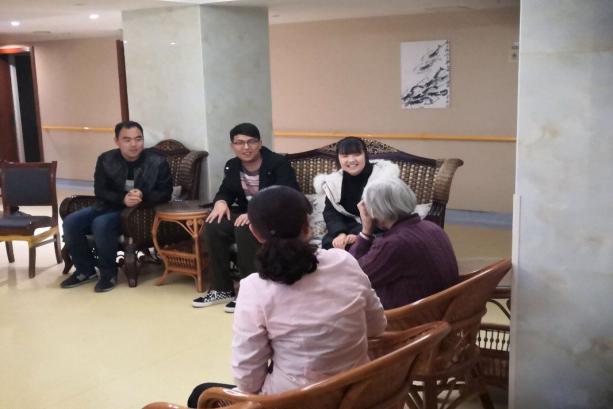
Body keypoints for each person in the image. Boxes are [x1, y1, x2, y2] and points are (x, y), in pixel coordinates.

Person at [187, 186, 386, 407]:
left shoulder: (255, 289)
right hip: (361, 392)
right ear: (307, 227)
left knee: (201, 395)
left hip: (296, 401)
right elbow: (377, 326)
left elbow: (248, 381)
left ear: (254, 232)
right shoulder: (344, 261)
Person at [192, 123, 299, 312]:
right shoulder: (232, 165)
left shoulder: (278, 163)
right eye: (239, 143)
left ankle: (250, 292)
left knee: (245, 227)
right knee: (214, 223)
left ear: (260, 143)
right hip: (247, 214)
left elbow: (286, 195)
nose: (246, 147)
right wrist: (221, 202)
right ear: (232, 146)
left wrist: (257, 212)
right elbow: (225, 191)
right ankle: (221, 289)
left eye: (251, 142)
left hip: (276, 216)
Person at [60, 121, 172, 292]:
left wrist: (143, 195)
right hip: (108, 205)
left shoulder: (157, 162)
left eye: (138, 139)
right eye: (127, 140)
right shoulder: (106, 159)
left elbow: (165, 193)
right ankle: (85, 270)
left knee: (101, 224)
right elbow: (100, 190)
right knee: (71, 222)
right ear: (117, 141)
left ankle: (108, 274)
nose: (134, 144)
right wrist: (122, 199)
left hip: (139, 212)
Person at [349, 178, 459, 309]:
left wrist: (366, 232)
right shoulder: (433, 228)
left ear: (375, 210)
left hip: (409, 317)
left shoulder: (394, 243)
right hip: (443, 309)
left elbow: (352, 276)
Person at [313, 137, 399, 250]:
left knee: (372, 245)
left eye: (357, 154)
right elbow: (331, 213)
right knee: (330, 243)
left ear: (365, 155)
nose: (351, 160)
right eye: (345, 156)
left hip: (378, 228)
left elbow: (389, 213)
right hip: (347, 227)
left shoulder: (383, 177)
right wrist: (340, 233)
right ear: (338, 158)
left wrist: (362, 234)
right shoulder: (334, 182)